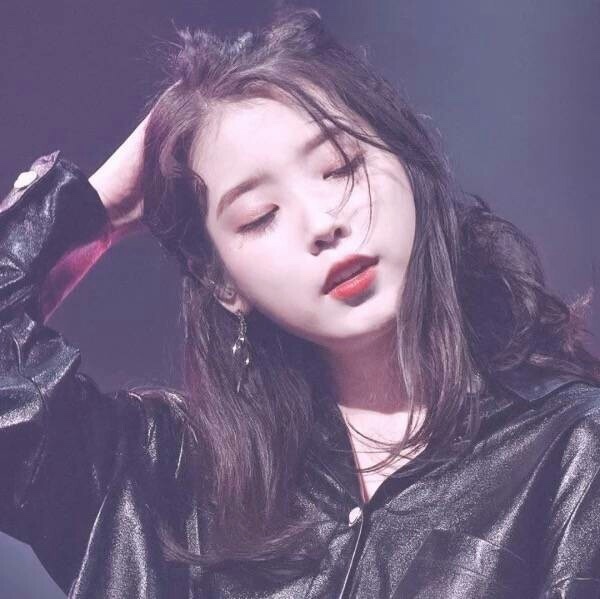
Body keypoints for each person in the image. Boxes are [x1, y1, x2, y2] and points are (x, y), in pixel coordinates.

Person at [1, 6, 600, 599]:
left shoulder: (570, 451)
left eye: (339, 168)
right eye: (259, 216)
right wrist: (94, 206)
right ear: (223, 283)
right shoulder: (161, 480)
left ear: (409, 166)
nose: (321, 224)